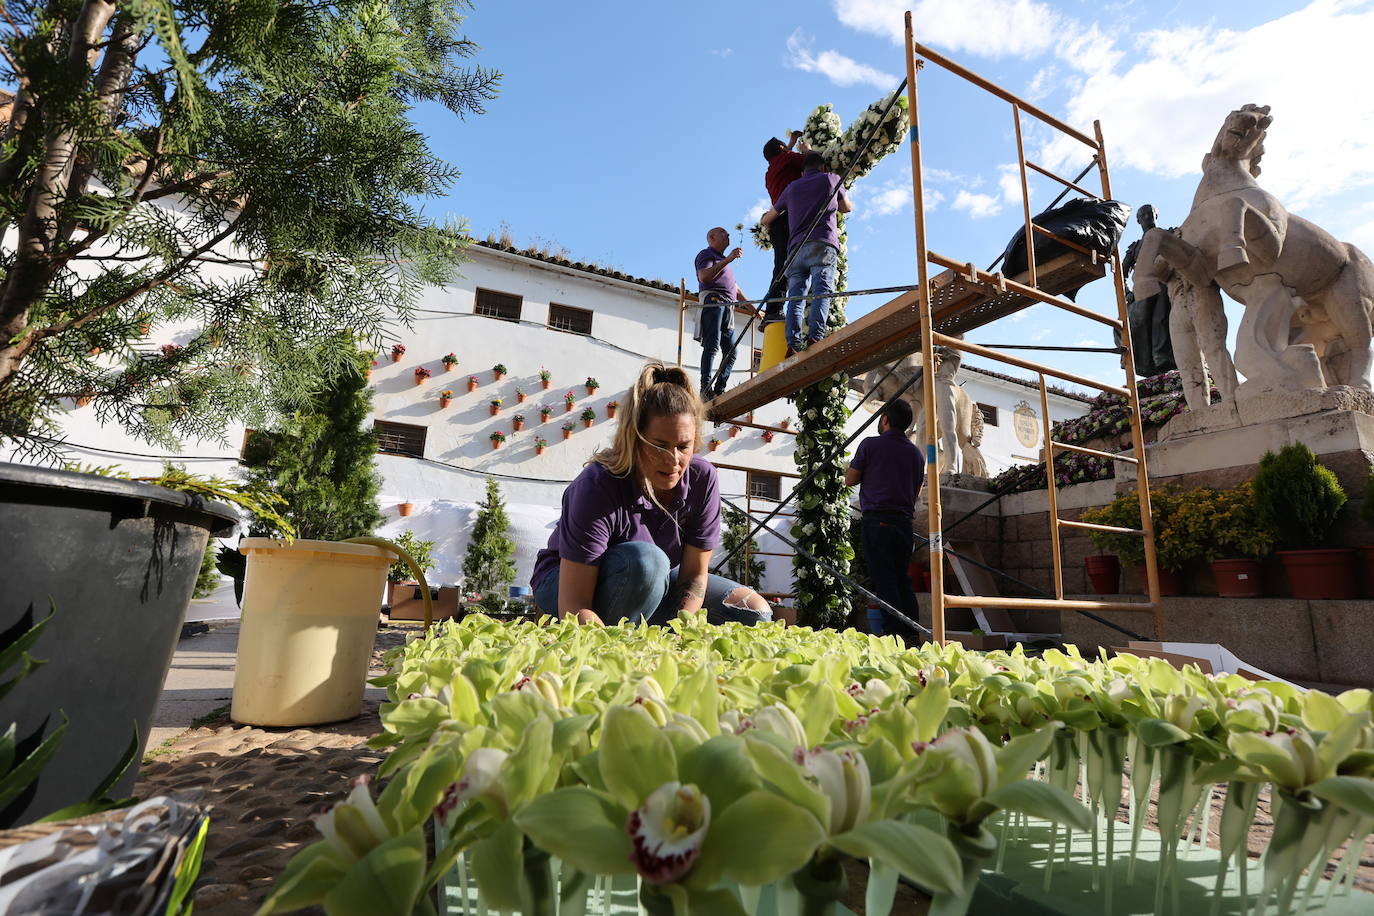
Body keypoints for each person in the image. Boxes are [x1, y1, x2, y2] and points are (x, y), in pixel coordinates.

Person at [530, 362, 772, 627]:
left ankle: (649, 630)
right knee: (649, 562)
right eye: (659, 446)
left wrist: (679, 630)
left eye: (683, 446)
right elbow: (575, 604)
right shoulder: (597, 486)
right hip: (567, 582)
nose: (673, 460)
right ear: (634, 439)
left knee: (752, 611)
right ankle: (625, 643)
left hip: (652, 581)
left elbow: (693, 576)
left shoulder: (703, 479)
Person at [845, 398, 925, 641]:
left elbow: (850, 479)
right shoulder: (916, 453)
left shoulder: (870, 445)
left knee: (884, 578)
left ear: (885, 420)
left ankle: (894, 635)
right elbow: (917, 491)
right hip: (903, 522)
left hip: (877, 520)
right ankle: (911, 632)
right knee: (902, 578)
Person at [760, 151, 852, 357]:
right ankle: (815, 337)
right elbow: (847, 208)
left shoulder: (791, 188)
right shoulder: (831, 179)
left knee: (796, 297)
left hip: (795, 250)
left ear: (802, 172)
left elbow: (768, 218)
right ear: (823, 167)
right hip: (822, 242)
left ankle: (792, 343)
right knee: (821, 291)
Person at [761, 131, 811, 324]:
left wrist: (790, 142)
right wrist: (806, 150)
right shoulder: (787, 158)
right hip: (790, 217)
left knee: (780, 263)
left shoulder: (771, 170)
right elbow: (810, 162)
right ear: (781, 149)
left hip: (777, 221)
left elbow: (785, 157)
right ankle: (774, 309)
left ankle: (773, 308)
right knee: (787, 264)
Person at [694, 227, 745, 398]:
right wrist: (729, 259)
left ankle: (718, 390)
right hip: (714, 301)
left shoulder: (724, 262)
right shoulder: (706, 255)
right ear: (712, 238)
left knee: (731, 352)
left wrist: (755, 311)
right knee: (712, 345)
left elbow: (736, 290)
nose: (728, 235)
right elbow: (704, 277)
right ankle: (705, 388)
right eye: (723, 233)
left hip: (728, 306)